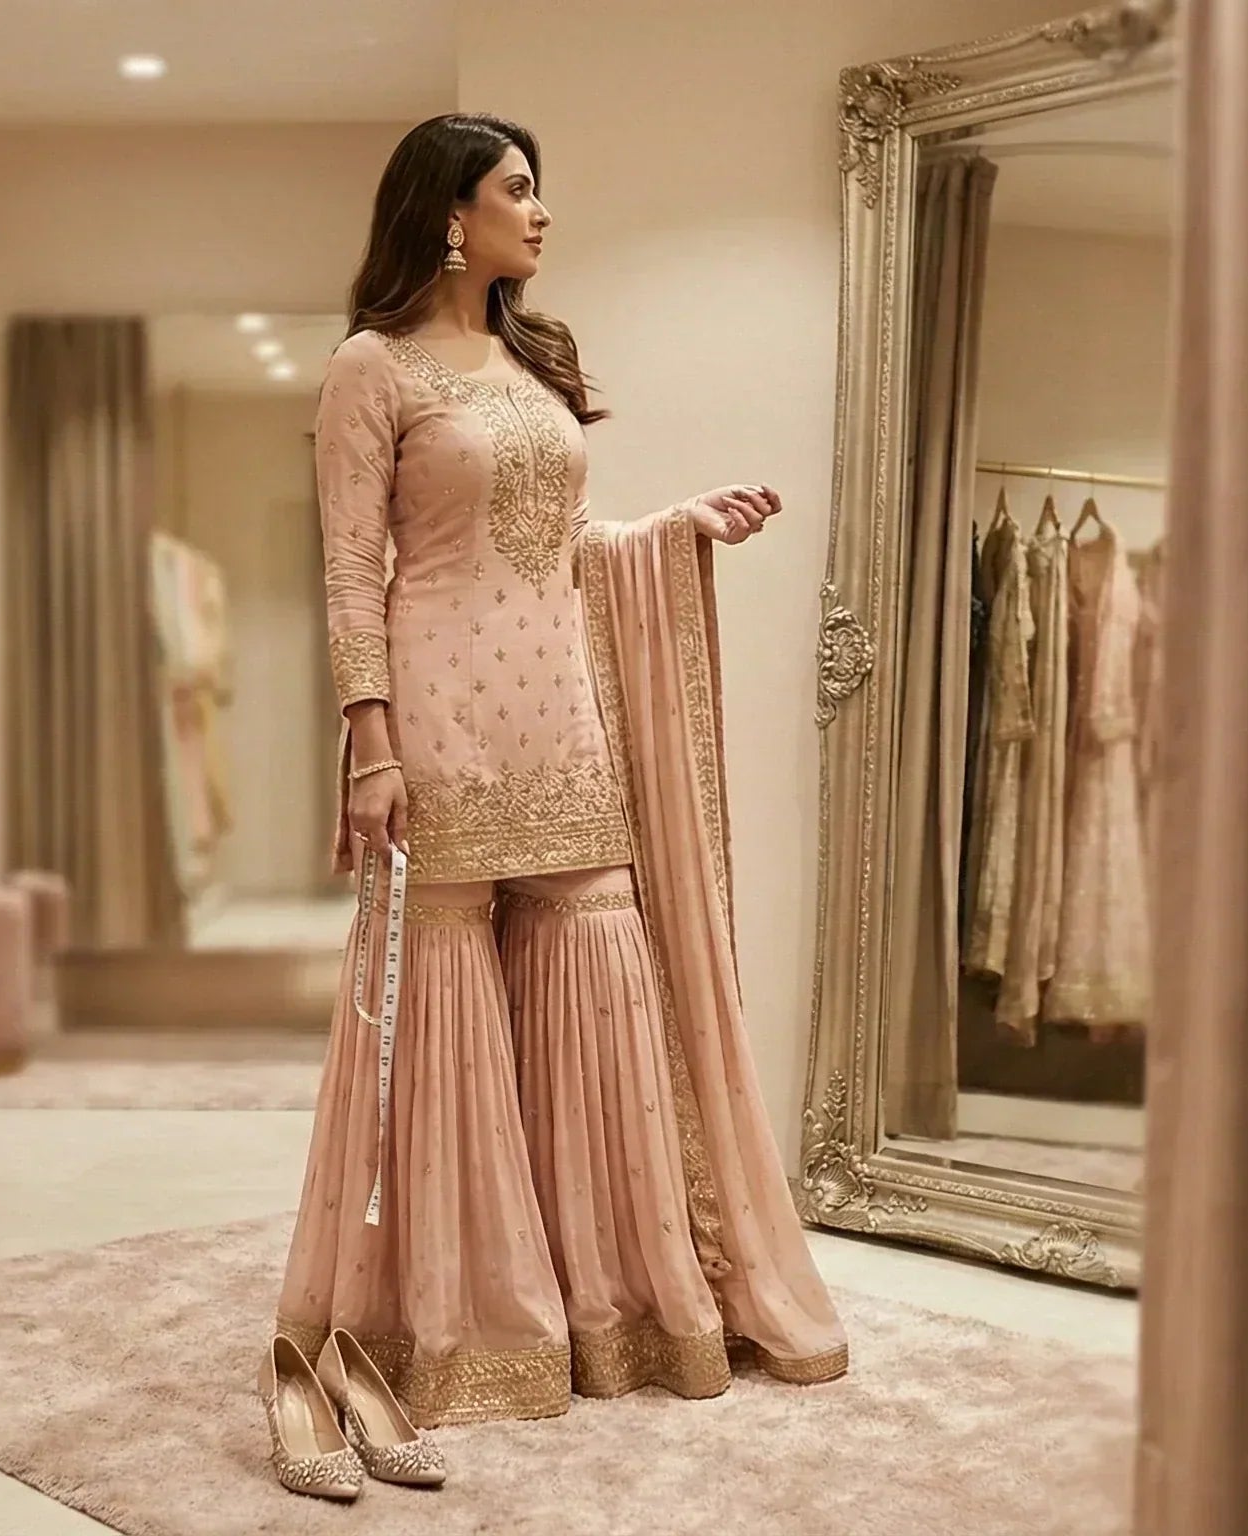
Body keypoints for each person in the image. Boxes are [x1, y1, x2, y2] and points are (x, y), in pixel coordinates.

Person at [271, 112, 848, 1441]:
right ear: (447, 213)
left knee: (595, 978)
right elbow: (356, 572)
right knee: (450, 1004)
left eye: (539, 192)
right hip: (440, 718)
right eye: (517, 190)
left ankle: (610, 1305)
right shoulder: (373, 369)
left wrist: (670, 530)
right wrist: (371, 745)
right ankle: (465, 1325)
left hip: (561, 720)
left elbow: (552, 540)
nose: (540, 213)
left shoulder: (535, 356)